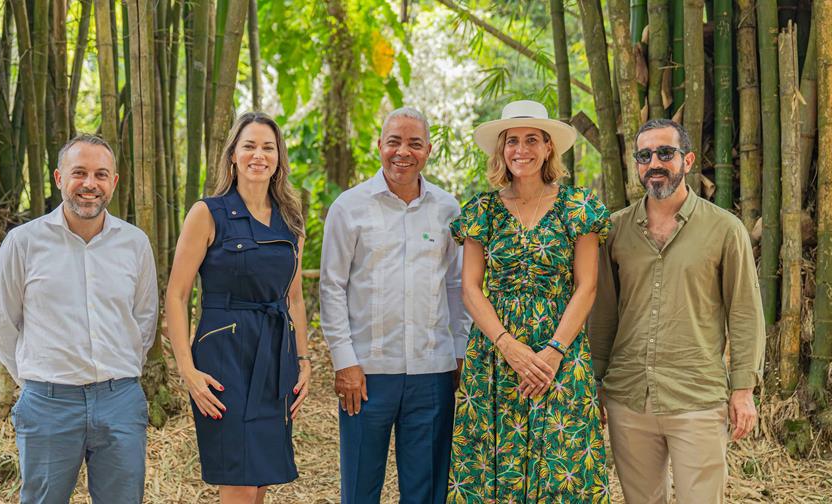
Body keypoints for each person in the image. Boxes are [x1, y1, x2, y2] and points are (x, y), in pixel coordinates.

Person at [589, 118, 765, 504]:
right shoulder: (614, 230)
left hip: (697, 397)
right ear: (636, 164)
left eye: (665, 153)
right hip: (629, 396)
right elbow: (602, 314)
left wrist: (743, 389)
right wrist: (597, 382)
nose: (655, 162)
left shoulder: (724, 229)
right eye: (645, 155)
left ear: (686, 160)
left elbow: (745, 312)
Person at [447, 100, 611, 502]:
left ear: (549, 147)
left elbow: (587, 286)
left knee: (562, 463)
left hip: (561, 350)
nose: (522, 149)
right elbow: (470, 287)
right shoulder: (482, 211)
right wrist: (509, 347)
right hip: (495, 354)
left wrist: (553, 351)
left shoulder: (578, 207)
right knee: (492, 465)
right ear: (501, 150)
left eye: (532, 140)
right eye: (513, 141)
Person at [0, 134, 158, 503]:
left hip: (120, 399)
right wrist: (37, 382)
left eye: (100, 174)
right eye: (79, 172)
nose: (89, 184)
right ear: (58, 178)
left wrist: (121, 374)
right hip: (48, 402)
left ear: (113, 182)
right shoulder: (23, 243)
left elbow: (144, 320)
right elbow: (3, 325)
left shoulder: (135, 243)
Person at [319, 107, 470, 503]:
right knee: (360, 488)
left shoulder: (448, 209)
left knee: (426, 491)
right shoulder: (349, 208)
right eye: (395, 142)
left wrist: (459, 351)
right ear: (380, 146)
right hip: (366, 373)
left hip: (432, 370)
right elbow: (332, 288)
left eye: (414, 143)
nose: (403, 152)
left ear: (429, 150)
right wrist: (343, 361)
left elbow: (457, 285)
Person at [165, 112, 311, 503]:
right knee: (240, 479)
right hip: (223, 352)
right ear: (232, 155)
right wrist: (187, 369)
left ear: (279, 157)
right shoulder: (207, 213)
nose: (258, 155)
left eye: (268, 147)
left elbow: (293, 298)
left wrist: (304, 360)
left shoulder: (291, 222)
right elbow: (177, 295)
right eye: (249, 146)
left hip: (275, 354)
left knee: (260, 478)